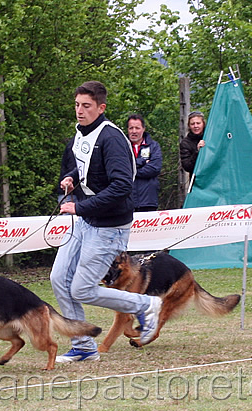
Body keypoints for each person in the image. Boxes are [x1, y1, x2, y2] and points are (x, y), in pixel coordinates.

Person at [50, 81, 162, 362]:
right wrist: (72, 178)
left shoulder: (111, 137)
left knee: (82, 289)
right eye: (76, 105)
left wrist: (81, 206)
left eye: (86, 106)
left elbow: (122, 185)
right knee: (59, 279)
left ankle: (146, 305)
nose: (79, 111)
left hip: (109, 225)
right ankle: (84, 347)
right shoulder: (81, 134)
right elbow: (86, 165)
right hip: (86, 220)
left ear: (101, 108)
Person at [126, 114, 163, 212]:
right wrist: (142, 162)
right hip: (126, 201)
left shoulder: (154, 146)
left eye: (137, 128)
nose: (134, 131)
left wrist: (131, 170)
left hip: (148, 201)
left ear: (143, 129)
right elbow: (119, 168)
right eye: (131, 128)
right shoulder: (121, 146)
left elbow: (154, 169)